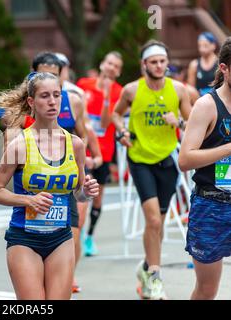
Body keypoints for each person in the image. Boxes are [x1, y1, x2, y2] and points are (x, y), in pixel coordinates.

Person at [0, 72, 99, 299]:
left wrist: (85, 192)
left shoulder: (75, 144)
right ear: (31, 102)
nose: (52, 101)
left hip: (61, 237)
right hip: (25, 239)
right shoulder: (20, 145)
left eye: (56, 95)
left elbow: (77, 193)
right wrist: (28, 200)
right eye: (45, 96)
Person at [112, 40, 191, 300]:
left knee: (158, 223)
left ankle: (146, 269)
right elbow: (115, 114)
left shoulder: (179, 90)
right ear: (144, 64)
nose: (158, 66)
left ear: (167, 63)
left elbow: (192, 124)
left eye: (162, 61)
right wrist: (122, 131)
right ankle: (156, 279)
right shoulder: (131, 90)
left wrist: (177, 121)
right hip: (140, 158)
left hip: (168, 160)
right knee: (154, 221)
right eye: (153, 61)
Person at [24, 52, 103, 293]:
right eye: (42, 75)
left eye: (55, 79)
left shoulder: (74, 101)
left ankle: (68, 274)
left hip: (67, 176)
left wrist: (95, 156)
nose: (51, 99)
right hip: (35, 182)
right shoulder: (24, 108)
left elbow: (85, 130)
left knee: (73, 231)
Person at [179, 37, 231, 300]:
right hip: (212, 206)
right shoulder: (206, 105)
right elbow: (185, 159)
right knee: (207, 290)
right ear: (224, 68)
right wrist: (228, 148)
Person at [76, 51, 124, 256]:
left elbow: (104, 124)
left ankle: (89, 237)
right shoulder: (83, 84)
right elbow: (76, 114)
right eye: (109, 63)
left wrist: (105, 97)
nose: (111, 67)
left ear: (119, 71)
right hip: (81, 148)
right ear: (102, 64)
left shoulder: (119, 92)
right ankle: (74, 236)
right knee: (79, 193)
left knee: (97, 196)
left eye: (116, 66)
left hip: (103, 152)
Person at [187, 32, 219, 97]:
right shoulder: (194, 64)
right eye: (200, 46)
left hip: (217, 98)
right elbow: (190, 88)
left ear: (213, 46)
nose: (202, 49)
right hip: (199, 98)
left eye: (205, 46)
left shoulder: (220, 63)